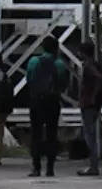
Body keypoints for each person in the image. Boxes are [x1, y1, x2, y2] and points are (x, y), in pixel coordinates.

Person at [25, 36, 69, 177]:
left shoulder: (33, 61)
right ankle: (50, 168)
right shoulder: (60, 64)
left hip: (36, 101)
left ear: (43, 47)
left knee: (36, 134)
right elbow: (63, 84)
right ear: (56, 48)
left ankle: (36, 167)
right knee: (52, 133)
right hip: (52, 101)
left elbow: (29, 79)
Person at [77, 41, 102, 176]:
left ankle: (93, 166)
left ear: (83, 52)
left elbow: (98, 78)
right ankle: (92, 165)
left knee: (90, 135)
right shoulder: (95, 64)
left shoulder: (89, 66)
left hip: (89, 104)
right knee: (90, 134)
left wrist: (92, 96)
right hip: (93, 103)